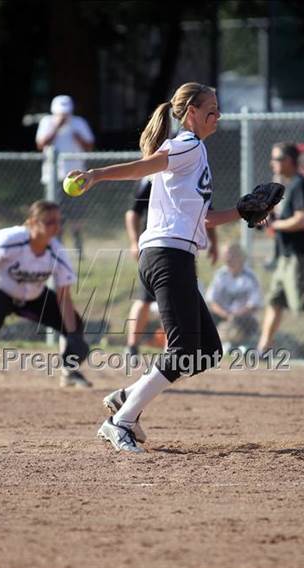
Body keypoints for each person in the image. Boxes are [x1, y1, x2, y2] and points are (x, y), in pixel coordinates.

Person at [70, 82, 244, 453]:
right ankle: (121, 421)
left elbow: (205, 219)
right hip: (167, 256)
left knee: (207, 350)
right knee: (183, 349)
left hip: (175, 255)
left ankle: (125, 398)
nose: (217, 116)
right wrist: (97, 175)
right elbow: (143, 168)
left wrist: (242, 213)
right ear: (191, 113)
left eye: (218, 109)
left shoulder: (196, 152)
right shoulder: (186, 144)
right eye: (211, 110)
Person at [0, 200, 92, 389]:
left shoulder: (57, 253)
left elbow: (64, 297)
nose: (55, 227)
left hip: (31, 296)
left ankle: (69, 372)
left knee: (73, 323)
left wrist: (72, 334)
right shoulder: (10, 239)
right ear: (32, 222)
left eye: (58, 221)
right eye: (48, 222)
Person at [125, 178, 219, 362]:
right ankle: (132, 346)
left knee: (175, 302)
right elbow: (133, 213)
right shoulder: (152, 178)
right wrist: (133, 241)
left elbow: (207, 212)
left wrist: (215, 243)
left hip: (184, 249)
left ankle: (171, 350)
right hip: (157, 249)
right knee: (144, 300)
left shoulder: (193, 176)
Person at [257, 143, 304, 366]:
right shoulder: (287, 185)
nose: (273, 163)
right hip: (286, 256)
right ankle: (263, 349)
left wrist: (275, 225)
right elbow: (281, 218)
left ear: (289, 161)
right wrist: (268, 220)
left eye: (277, 159)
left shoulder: (299, 185)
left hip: (301, 257)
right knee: (275, 301)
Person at [36, 95, 95, 255]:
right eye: (61, 113)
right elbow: (41, 144)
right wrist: (56, 127)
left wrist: (78, 137)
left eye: (66, 113)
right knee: (55, 215)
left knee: (76, 215)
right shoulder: (47, 122)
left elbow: (89, 145)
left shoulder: (79, 122)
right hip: (53, 177)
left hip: (75, 177)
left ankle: (78, 246)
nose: (64, 116)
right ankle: (57, 247)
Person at [206, 242, 263, 351]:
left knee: (247, 321)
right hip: (223, 314)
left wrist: (235, 315)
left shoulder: (250, 276)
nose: (228, 259)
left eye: (231, 255)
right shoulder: (220, 275)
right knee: (205, 315)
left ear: (240, 257)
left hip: (243, 316)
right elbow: (211, 301)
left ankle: (239, 345)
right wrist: (226, 315)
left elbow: (254, 305)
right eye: (225, 255)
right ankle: (213, 344)